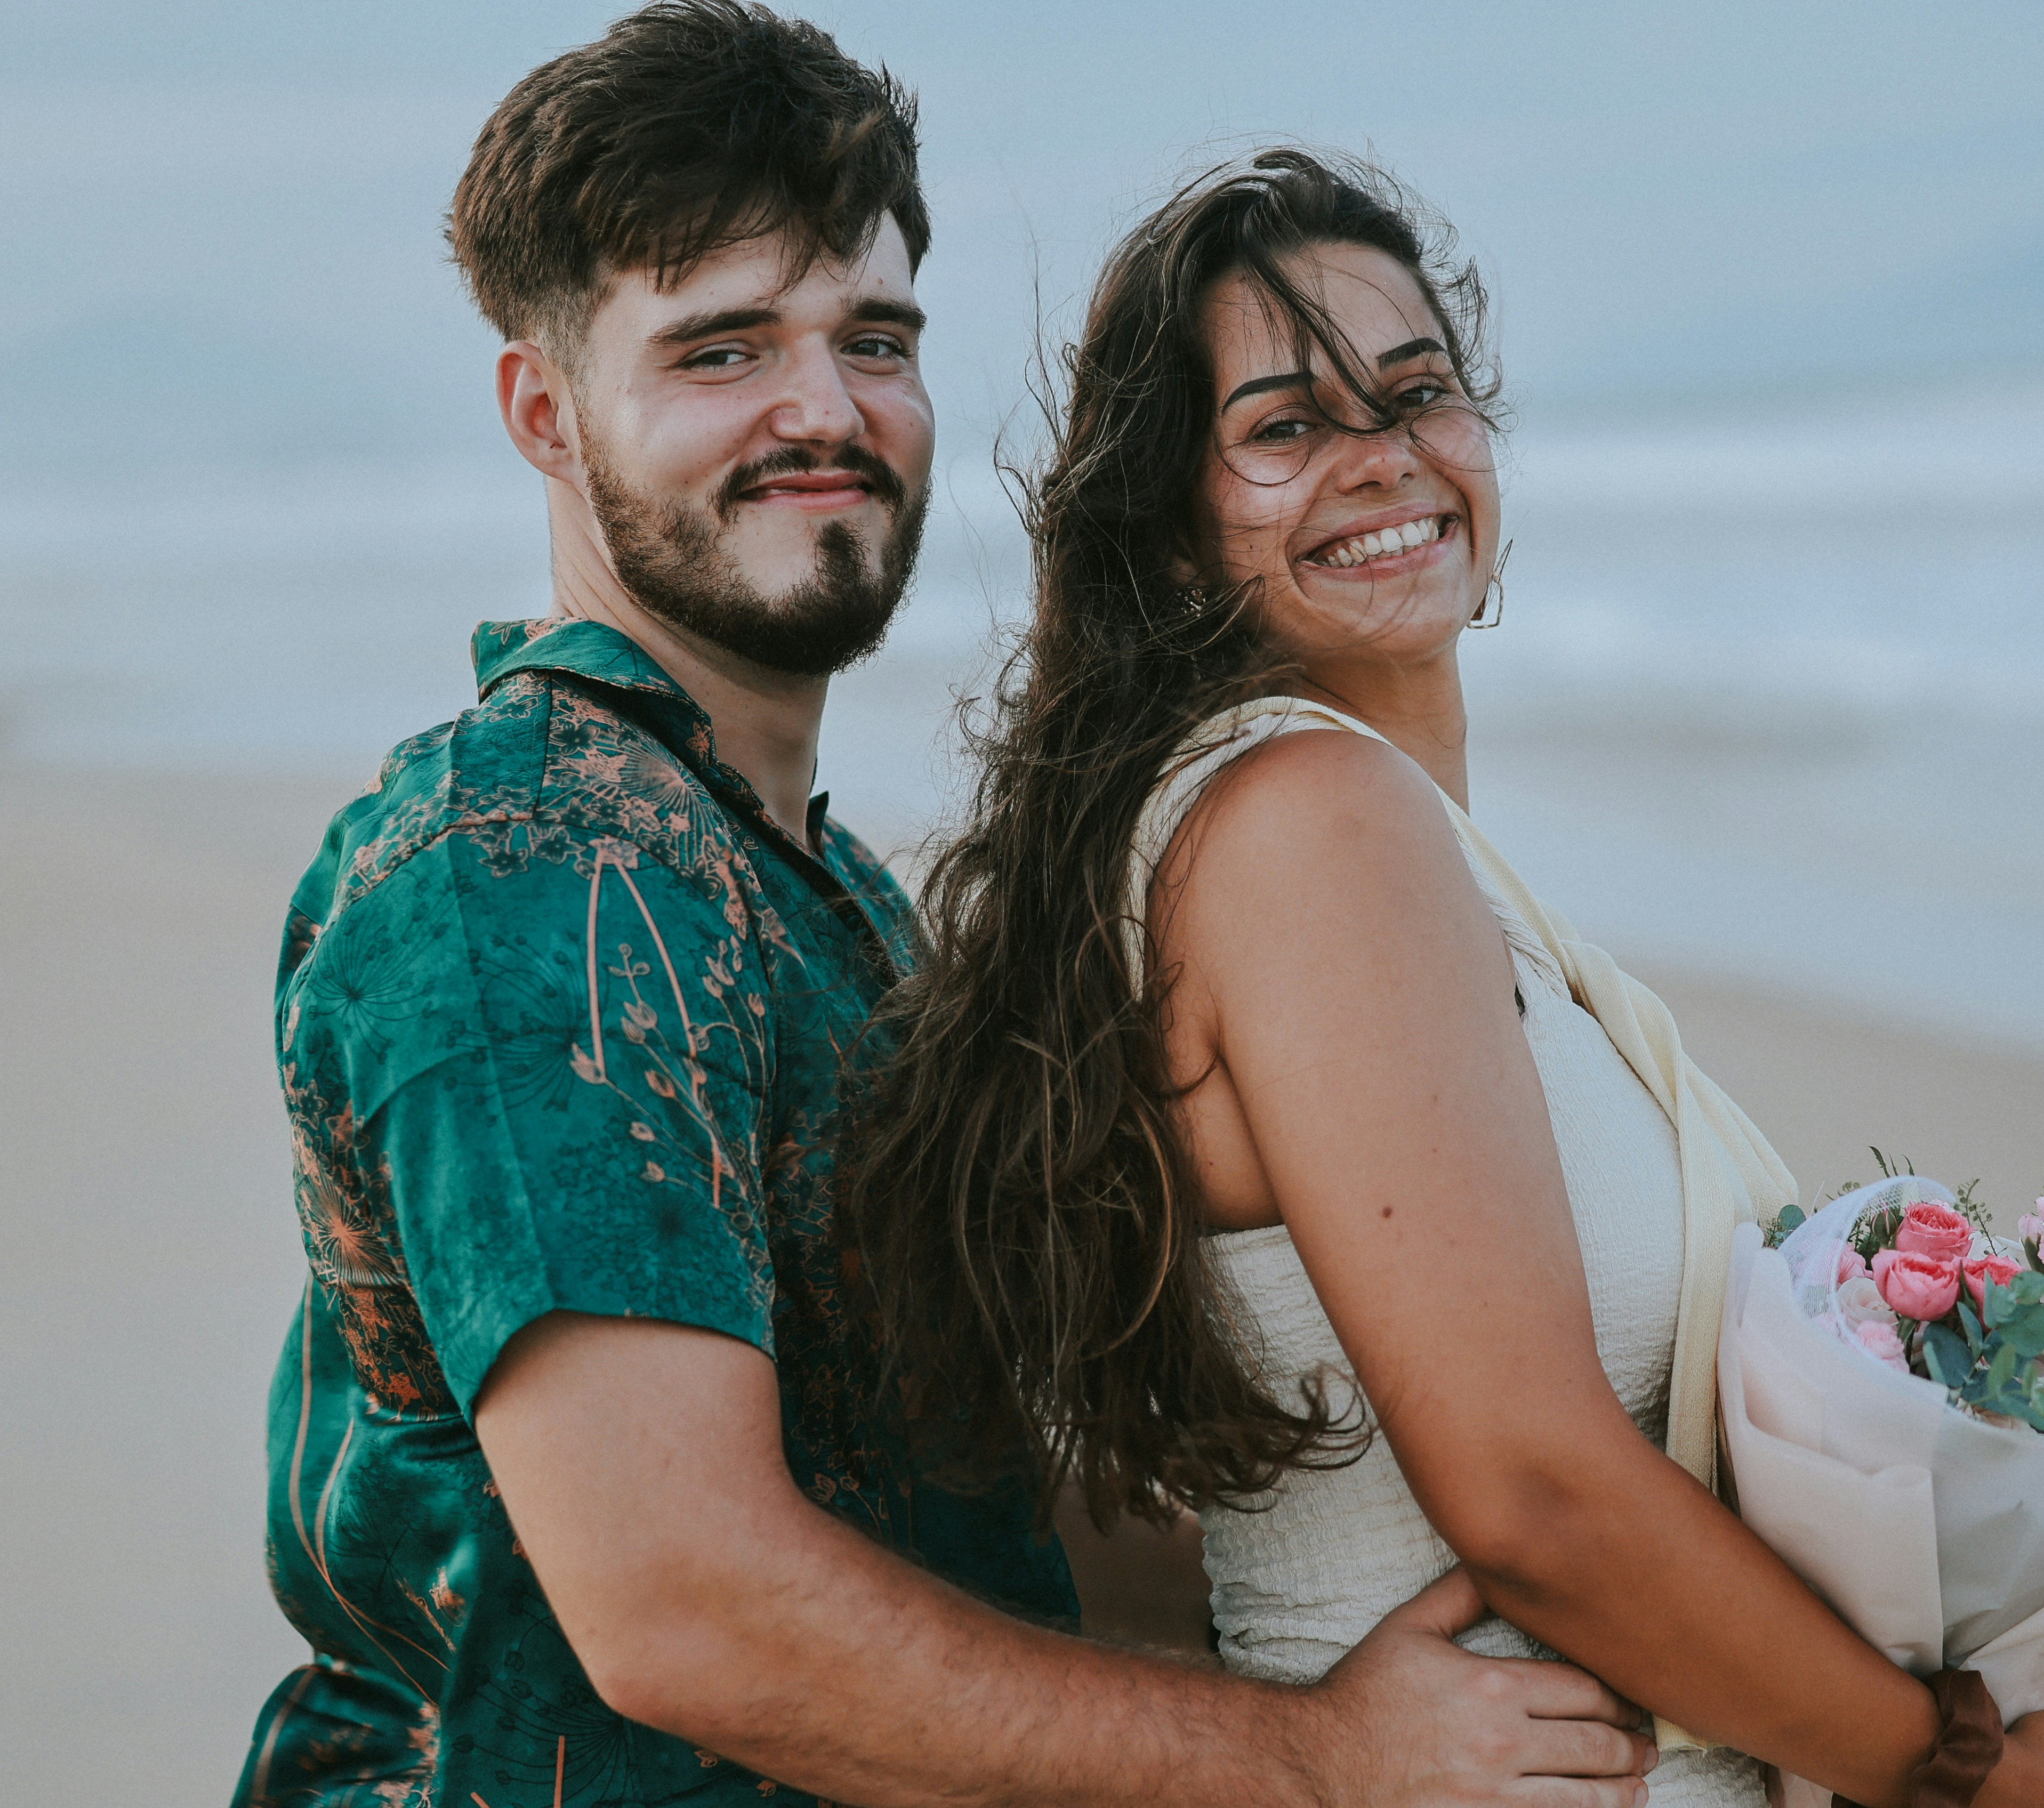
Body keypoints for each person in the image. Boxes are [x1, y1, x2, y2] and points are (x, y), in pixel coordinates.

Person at [237, 10, 1659, 1806]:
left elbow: (967, 1516)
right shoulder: (524, 865)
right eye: (720, 347)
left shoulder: (824, 898)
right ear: (545, 408)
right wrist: (1313, 1759)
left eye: (874, 338)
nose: (823, 409)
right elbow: (687, 1610)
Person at [842, 150, 2044, 1808]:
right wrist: (1952, 1776)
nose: (1383, 460)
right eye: (1283, 429)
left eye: (1418, 393)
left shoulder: (1373, 844)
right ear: (1177, 536)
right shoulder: (1307, 825)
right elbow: (1537, 1501)